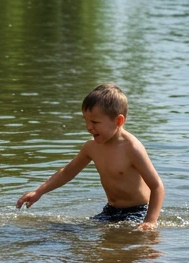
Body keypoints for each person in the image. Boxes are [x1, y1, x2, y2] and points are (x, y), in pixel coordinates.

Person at [16, 83, 164, 228]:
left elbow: (157, 186)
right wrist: (39, 191)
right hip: (110, 211)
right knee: (71, 230)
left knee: (131, 241)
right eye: (85, 121)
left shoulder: (132, 149)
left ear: (118, 121)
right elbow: (67, 172)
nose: (88, 127)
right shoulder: (91, 147)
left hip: (137, 212)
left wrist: (150, 221)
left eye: (94, 122)